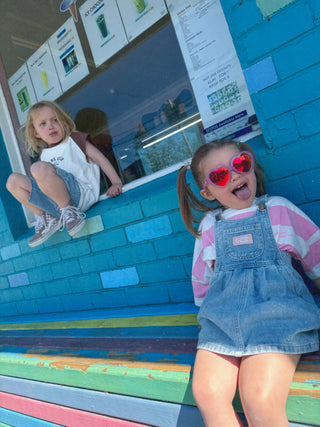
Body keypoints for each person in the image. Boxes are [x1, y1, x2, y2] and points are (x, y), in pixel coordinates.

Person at [177, 138, 320, 427]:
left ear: (251, 165)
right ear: (207, 191)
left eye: (240, 164)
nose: (235, 175)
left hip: (277, 315)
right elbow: (202, 279)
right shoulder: (209, 226)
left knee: (259, 399)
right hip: (223, 321)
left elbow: (314, 251)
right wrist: (207, 316)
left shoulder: (277, 209)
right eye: (220, 176)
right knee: (207, 393)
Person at [6, 101, 122, 248]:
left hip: (81, 195)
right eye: (43, 123)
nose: (50, 126)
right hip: (58, 208)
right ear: (35, 132)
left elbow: (100, 159)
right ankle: (46, 217)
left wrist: (116, 182)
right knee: (12, 181)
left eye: (55, 120)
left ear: (63, 121)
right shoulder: (44, 156)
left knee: (38, 169)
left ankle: (68, 209)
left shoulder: (75, 139)